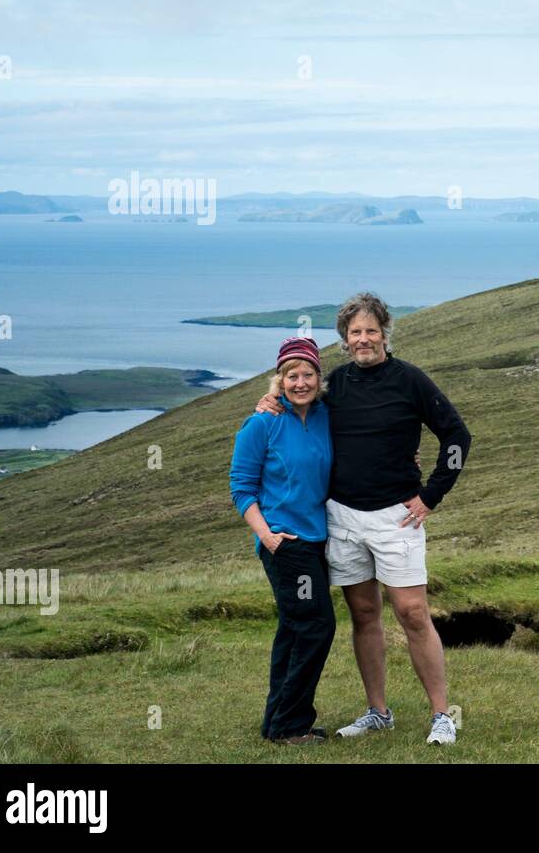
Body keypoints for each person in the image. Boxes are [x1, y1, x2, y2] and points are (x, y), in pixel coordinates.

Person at [255, 293, 471, 745]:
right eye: (356, 332)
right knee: (364, 612)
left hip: (398, 517)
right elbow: (300, 397)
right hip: (343, 518)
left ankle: (441, 715)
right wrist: (270, 397)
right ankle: (378, 711)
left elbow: (456, 434)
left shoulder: (410, 380)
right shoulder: (334, 384)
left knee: (413, 612)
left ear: (385, 334)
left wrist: (431, 495)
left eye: (372, 331)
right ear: (345, 340)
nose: (364, 339)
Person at [230, 336, 336, 745]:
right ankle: (292, 725)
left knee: (294, 628)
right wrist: (268, 537)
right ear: (279, 380)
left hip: (317, 540)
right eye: (292, 375)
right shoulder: (262, 423)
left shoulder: (327, 415)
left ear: (318, 378)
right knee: (316, 626)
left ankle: (277, 722)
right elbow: (242, 488)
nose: (301, 382)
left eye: (308, 374)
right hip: (285, 543)